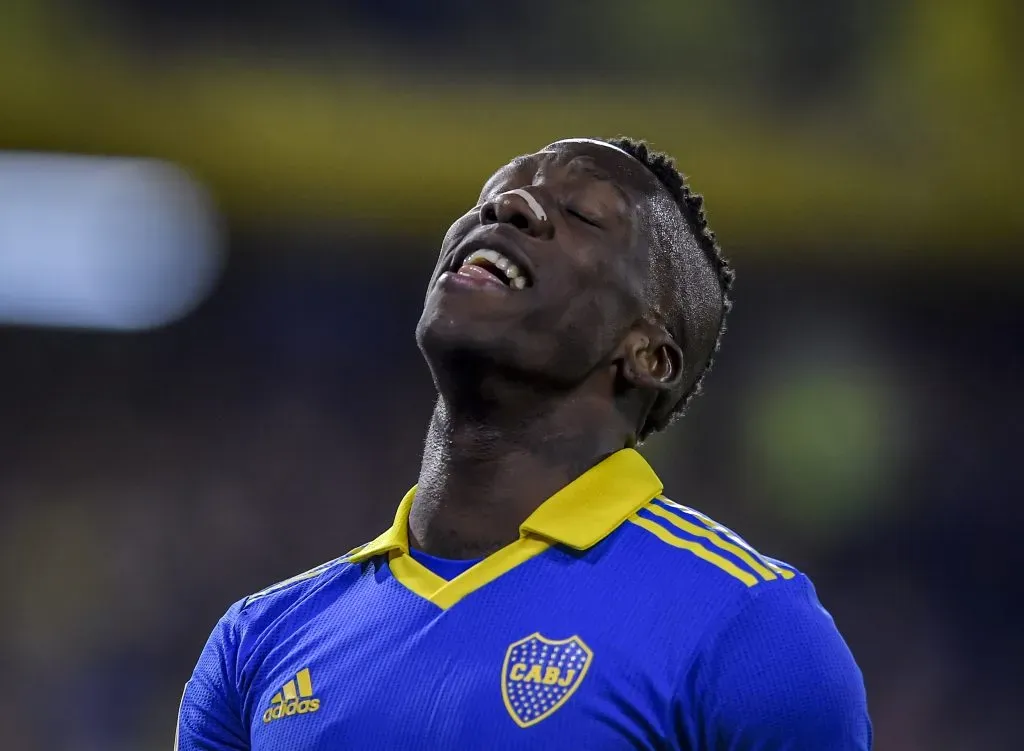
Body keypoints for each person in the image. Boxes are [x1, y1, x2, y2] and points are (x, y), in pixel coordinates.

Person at [175, 137, 872, 750]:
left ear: (648, 355)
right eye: (493, 195)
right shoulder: (256, 642)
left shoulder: (748, 628)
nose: (509, 206)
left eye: (582, 214)